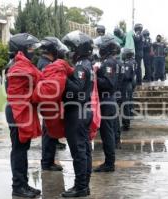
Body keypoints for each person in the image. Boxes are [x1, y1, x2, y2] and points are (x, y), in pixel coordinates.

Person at [5, 33, 42, 198]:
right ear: (20, 49)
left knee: (23, 149)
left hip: (21, 109)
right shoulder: (17, 66)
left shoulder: (21, 64)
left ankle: (24, 183)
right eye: (29, 48)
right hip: (16, 111)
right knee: (19, 150)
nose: (32, 51)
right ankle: (18, 186)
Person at [61, 31, 94, 197]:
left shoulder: (81, 65)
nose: (70, 51)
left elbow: (77, 89)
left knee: (79, 151)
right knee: (85, 149)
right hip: (85, 110)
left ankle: (80, 186)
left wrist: (63, 77)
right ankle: (84, 185)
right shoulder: (87, 63)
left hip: (78, 111)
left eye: (72, 48)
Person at [37, 37, 67, 171]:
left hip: (49, 103)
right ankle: (47, 163)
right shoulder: (46, 64)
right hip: (49, 103)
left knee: (49, 132)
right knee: (48, 133)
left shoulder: (44, 62)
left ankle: (48, 161)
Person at [93, 34, 120, 173]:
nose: (98, 50)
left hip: (107, 101)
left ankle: (109, 164)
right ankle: (109, 162)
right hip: (107, 100)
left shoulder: (109, 62)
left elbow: (109, 83)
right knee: (107, 133)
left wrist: (94, 77)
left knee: (107, 133)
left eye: (100, 47)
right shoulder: (108, 61)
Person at [120, 48, 137, 131]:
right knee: (128, 103)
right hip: (129, 85)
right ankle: (128, 120)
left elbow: (125, 76)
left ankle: (126, 124)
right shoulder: (131, 62)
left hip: (126, 85)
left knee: (125, 105)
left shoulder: (127, 64)